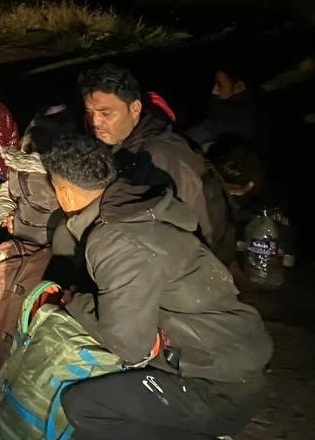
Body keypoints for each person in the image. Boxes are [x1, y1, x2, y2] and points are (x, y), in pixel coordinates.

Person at [42, 134, 271, 440]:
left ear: (66, 193)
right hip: (229, 360)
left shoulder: (115, 239)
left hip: (217, 388)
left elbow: (130, 347)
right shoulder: (140, 206)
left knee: (84, 406)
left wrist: (75, 302)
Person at [78, 63, 235, 266]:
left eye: (105, 113)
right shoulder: (131, 143)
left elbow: (199, 231)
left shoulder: (158, 157)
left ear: (135, 108)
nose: (95, 122)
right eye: (90, 113)